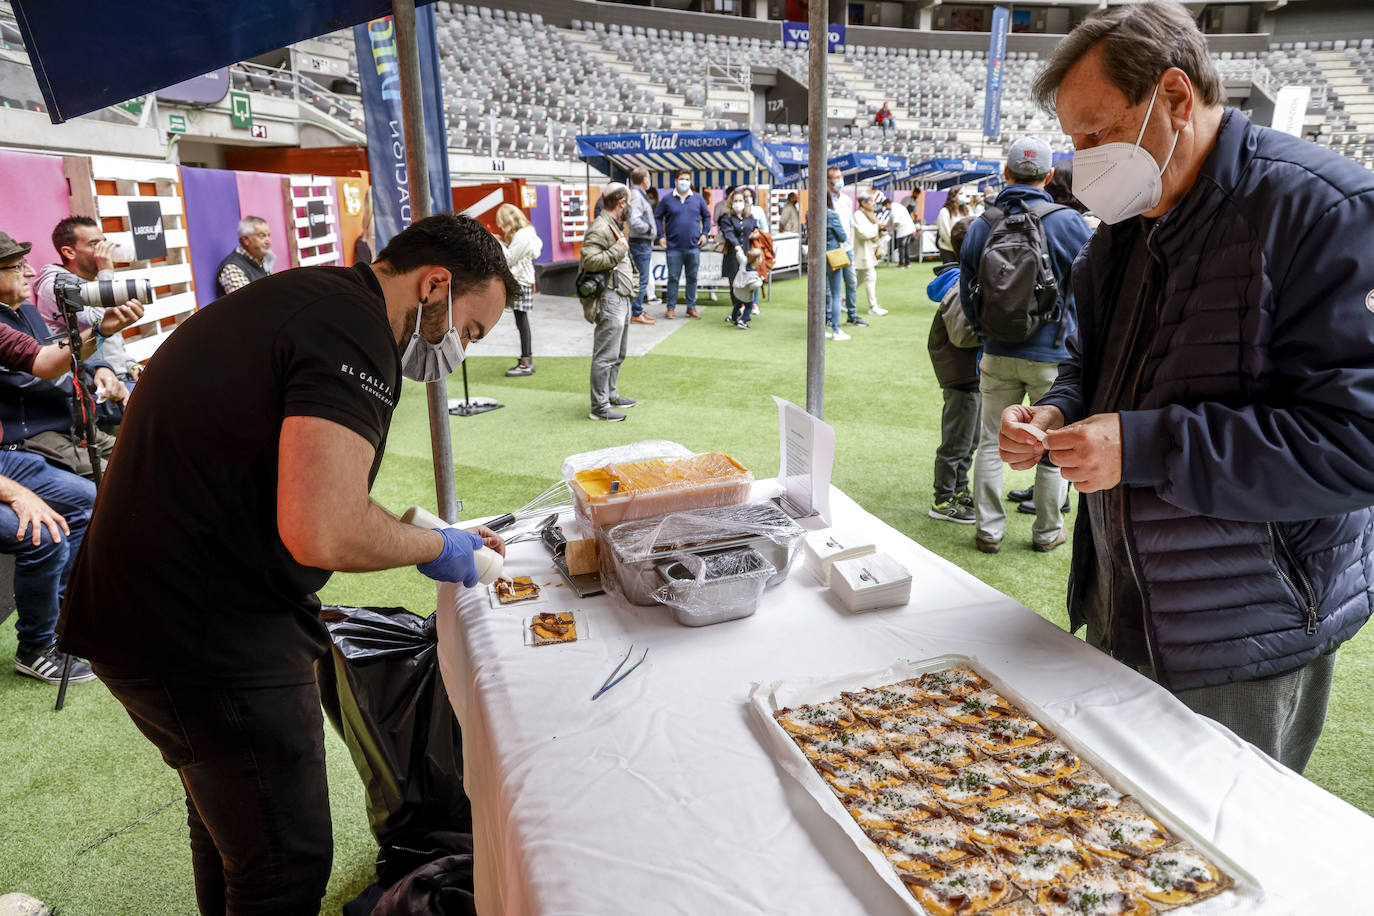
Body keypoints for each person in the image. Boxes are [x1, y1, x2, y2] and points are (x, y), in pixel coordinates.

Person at [57, 213, 515, 915]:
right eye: (470, 330)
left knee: (235, 835)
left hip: (152, 611)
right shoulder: (352, 329)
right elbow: (323, 529)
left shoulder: (317, 299)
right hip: (201, 629)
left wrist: (414, 527)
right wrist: (438, 547)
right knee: (283, 859)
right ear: (435, 285)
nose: (457, 350)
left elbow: (304, 483)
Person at [1000, 0, 1374, 773]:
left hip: (1245, 635)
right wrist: (1059, 410)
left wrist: (1143, 445)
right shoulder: (1125, 230)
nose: (1084, 157)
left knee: (1217, 861)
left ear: (1173, 97)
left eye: (1098, 132)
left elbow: (1357, 442)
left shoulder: (1319, 210)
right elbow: (1092, 367)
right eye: (1074, 141)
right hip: (1119, 602)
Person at [0, 231, 140, 685]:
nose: (27, 270)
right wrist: (95, 334)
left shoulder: (22, 313)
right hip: (28, 440)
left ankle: (77, 614)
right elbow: (41, 367)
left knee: (117, 475)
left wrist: (97, 363)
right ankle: (42, 642)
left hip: (58, 430)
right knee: (46, 529)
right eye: (13, 265)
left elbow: (58, 360)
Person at [961, 136, 1092, 555]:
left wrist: (987, 336)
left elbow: (968, 293)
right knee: (1051, 444)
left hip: (997, 352)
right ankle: (1047, 530)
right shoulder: (1067, 221)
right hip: (1052, 354)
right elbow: (1091, 288)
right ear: (1049, 176)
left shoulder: (983, 223)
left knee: (990, 443)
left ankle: (989, 530)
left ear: (1006, 173)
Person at [34, 216, 142, 386]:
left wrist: (130, 364)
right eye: (94, 244)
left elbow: (111, 336)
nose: (103, 250)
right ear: (69, 252)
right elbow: (100, 323)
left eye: (104, 242)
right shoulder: (56, 286)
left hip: (120, 374)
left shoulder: (92, 280)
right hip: (95, 383)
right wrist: (105, 271)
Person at [926, 217, 979, 523]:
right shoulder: (961, 285)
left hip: (969, 374)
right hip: (963, 374)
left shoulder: (964, 280)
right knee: (957, 440)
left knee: (968, 439)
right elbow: (961, 335)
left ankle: (958, 488)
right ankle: (943, 499)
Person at [581, 183, 638, 422]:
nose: (630, 208)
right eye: (630, 203)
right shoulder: (601, 227)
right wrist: (617, 250)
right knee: (605, 355)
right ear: (622, 203)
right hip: (610, 297)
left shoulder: (611, 225)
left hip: (621, 296)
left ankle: (610, 394)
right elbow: (589, 260)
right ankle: (599, 406)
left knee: (618, 352)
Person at [654, 169, 710, 319]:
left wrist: (705, 234)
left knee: (692, 278)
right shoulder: (667, 199)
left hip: (693, 247)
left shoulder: (698, 198)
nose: (684, 181)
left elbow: (707, 216)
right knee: (673, 278)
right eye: (682, 179)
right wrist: (660, 236)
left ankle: (691, 307)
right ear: (675, 181)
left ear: (690, 181)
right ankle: (670, 307)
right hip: (673, 247)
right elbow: (657, 217)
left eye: (687, 179)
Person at [496, 203, 543, 377]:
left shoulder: (522, 235)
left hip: (520, 281)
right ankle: (526, 359)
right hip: (524, 280)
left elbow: (509, 259)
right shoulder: (527, 232)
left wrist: (498, 243)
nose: (500, 225)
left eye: (501, 221)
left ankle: (526, 362)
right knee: (521, 322)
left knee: (522, 322)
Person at [825, 166, 867, 329]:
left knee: (851, 282)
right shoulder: (825, 201)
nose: (839, 180)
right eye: (836, 177)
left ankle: (852, 315)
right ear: (828, 181)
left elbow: (850, 224)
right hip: (832, 249)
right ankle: (828, 317)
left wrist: (851, 244)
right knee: (830, 287)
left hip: (847, 248)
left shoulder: (847, 200)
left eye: (840, 176)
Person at [718, 189, 758, 329]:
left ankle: (739, 314)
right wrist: (736, 246)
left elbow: (755, 228)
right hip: (732, 256)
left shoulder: (749, 217)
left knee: (748, 284)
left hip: (748, 256)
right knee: (735, 285)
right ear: (731, 202)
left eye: (741, 200)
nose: (738, 203)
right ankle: (738, 312)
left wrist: (756, 234)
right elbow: (728, 233)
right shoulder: (726, 217)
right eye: (735, 201)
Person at [625, 167, 657, 326]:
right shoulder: (637, 196)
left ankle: (637, 310)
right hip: (641, 243)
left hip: (642, 243)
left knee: (641, 278)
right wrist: (649, 229)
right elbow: (634, 220)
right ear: (645, 179)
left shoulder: (638, 194)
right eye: (648, 177)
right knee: (641, 279)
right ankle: (636, 312)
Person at [851, 189, 889, 317]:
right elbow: (863, 233)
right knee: (870, 276)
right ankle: (873, 306)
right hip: (862, 251)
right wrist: (876, 228)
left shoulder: (869, 214)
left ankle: (844, 300)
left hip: (868, 251)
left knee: (860, 279)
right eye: (871, 201)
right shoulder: (858, 215)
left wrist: (879, 231)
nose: (874, 203)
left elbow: (871, 232)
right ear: (863, 202)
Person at [215, 216, 273, 298]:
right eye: (262, 236)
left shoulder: (261, 261)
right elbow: (246, 304)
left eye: (268, 236)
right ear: (246, 240)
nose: (268, 241)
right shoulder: (232, 268)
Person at [823, 193, 851, 342]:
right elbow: (843, 236)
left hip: (817, 256)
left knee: (821, 293)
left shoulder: (810, 214)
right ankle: (836, 329)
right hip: (833, 255)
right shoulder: (831, 215)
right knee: (836, 294)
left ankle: (821, 327)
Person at [936, 188, 972, 262]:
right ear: (953, 196)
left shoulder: (967, 210)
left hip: (964, 249)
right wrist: (956, 246)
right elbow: (945, 233)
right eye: (960, 193)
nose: (963, 196)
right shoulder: (945, 212)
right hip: (948, 250)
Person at [890, 193, 916, 269]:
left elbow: (896, 222)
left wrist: (891, 229)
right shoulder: (898, 206)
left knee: (901, 246)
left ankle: (901, 264)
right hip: (909, 228)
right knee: (906, 246)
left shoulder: (895, 209)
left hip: (904, 230)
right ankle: (907, 263)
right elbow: (891, 220)